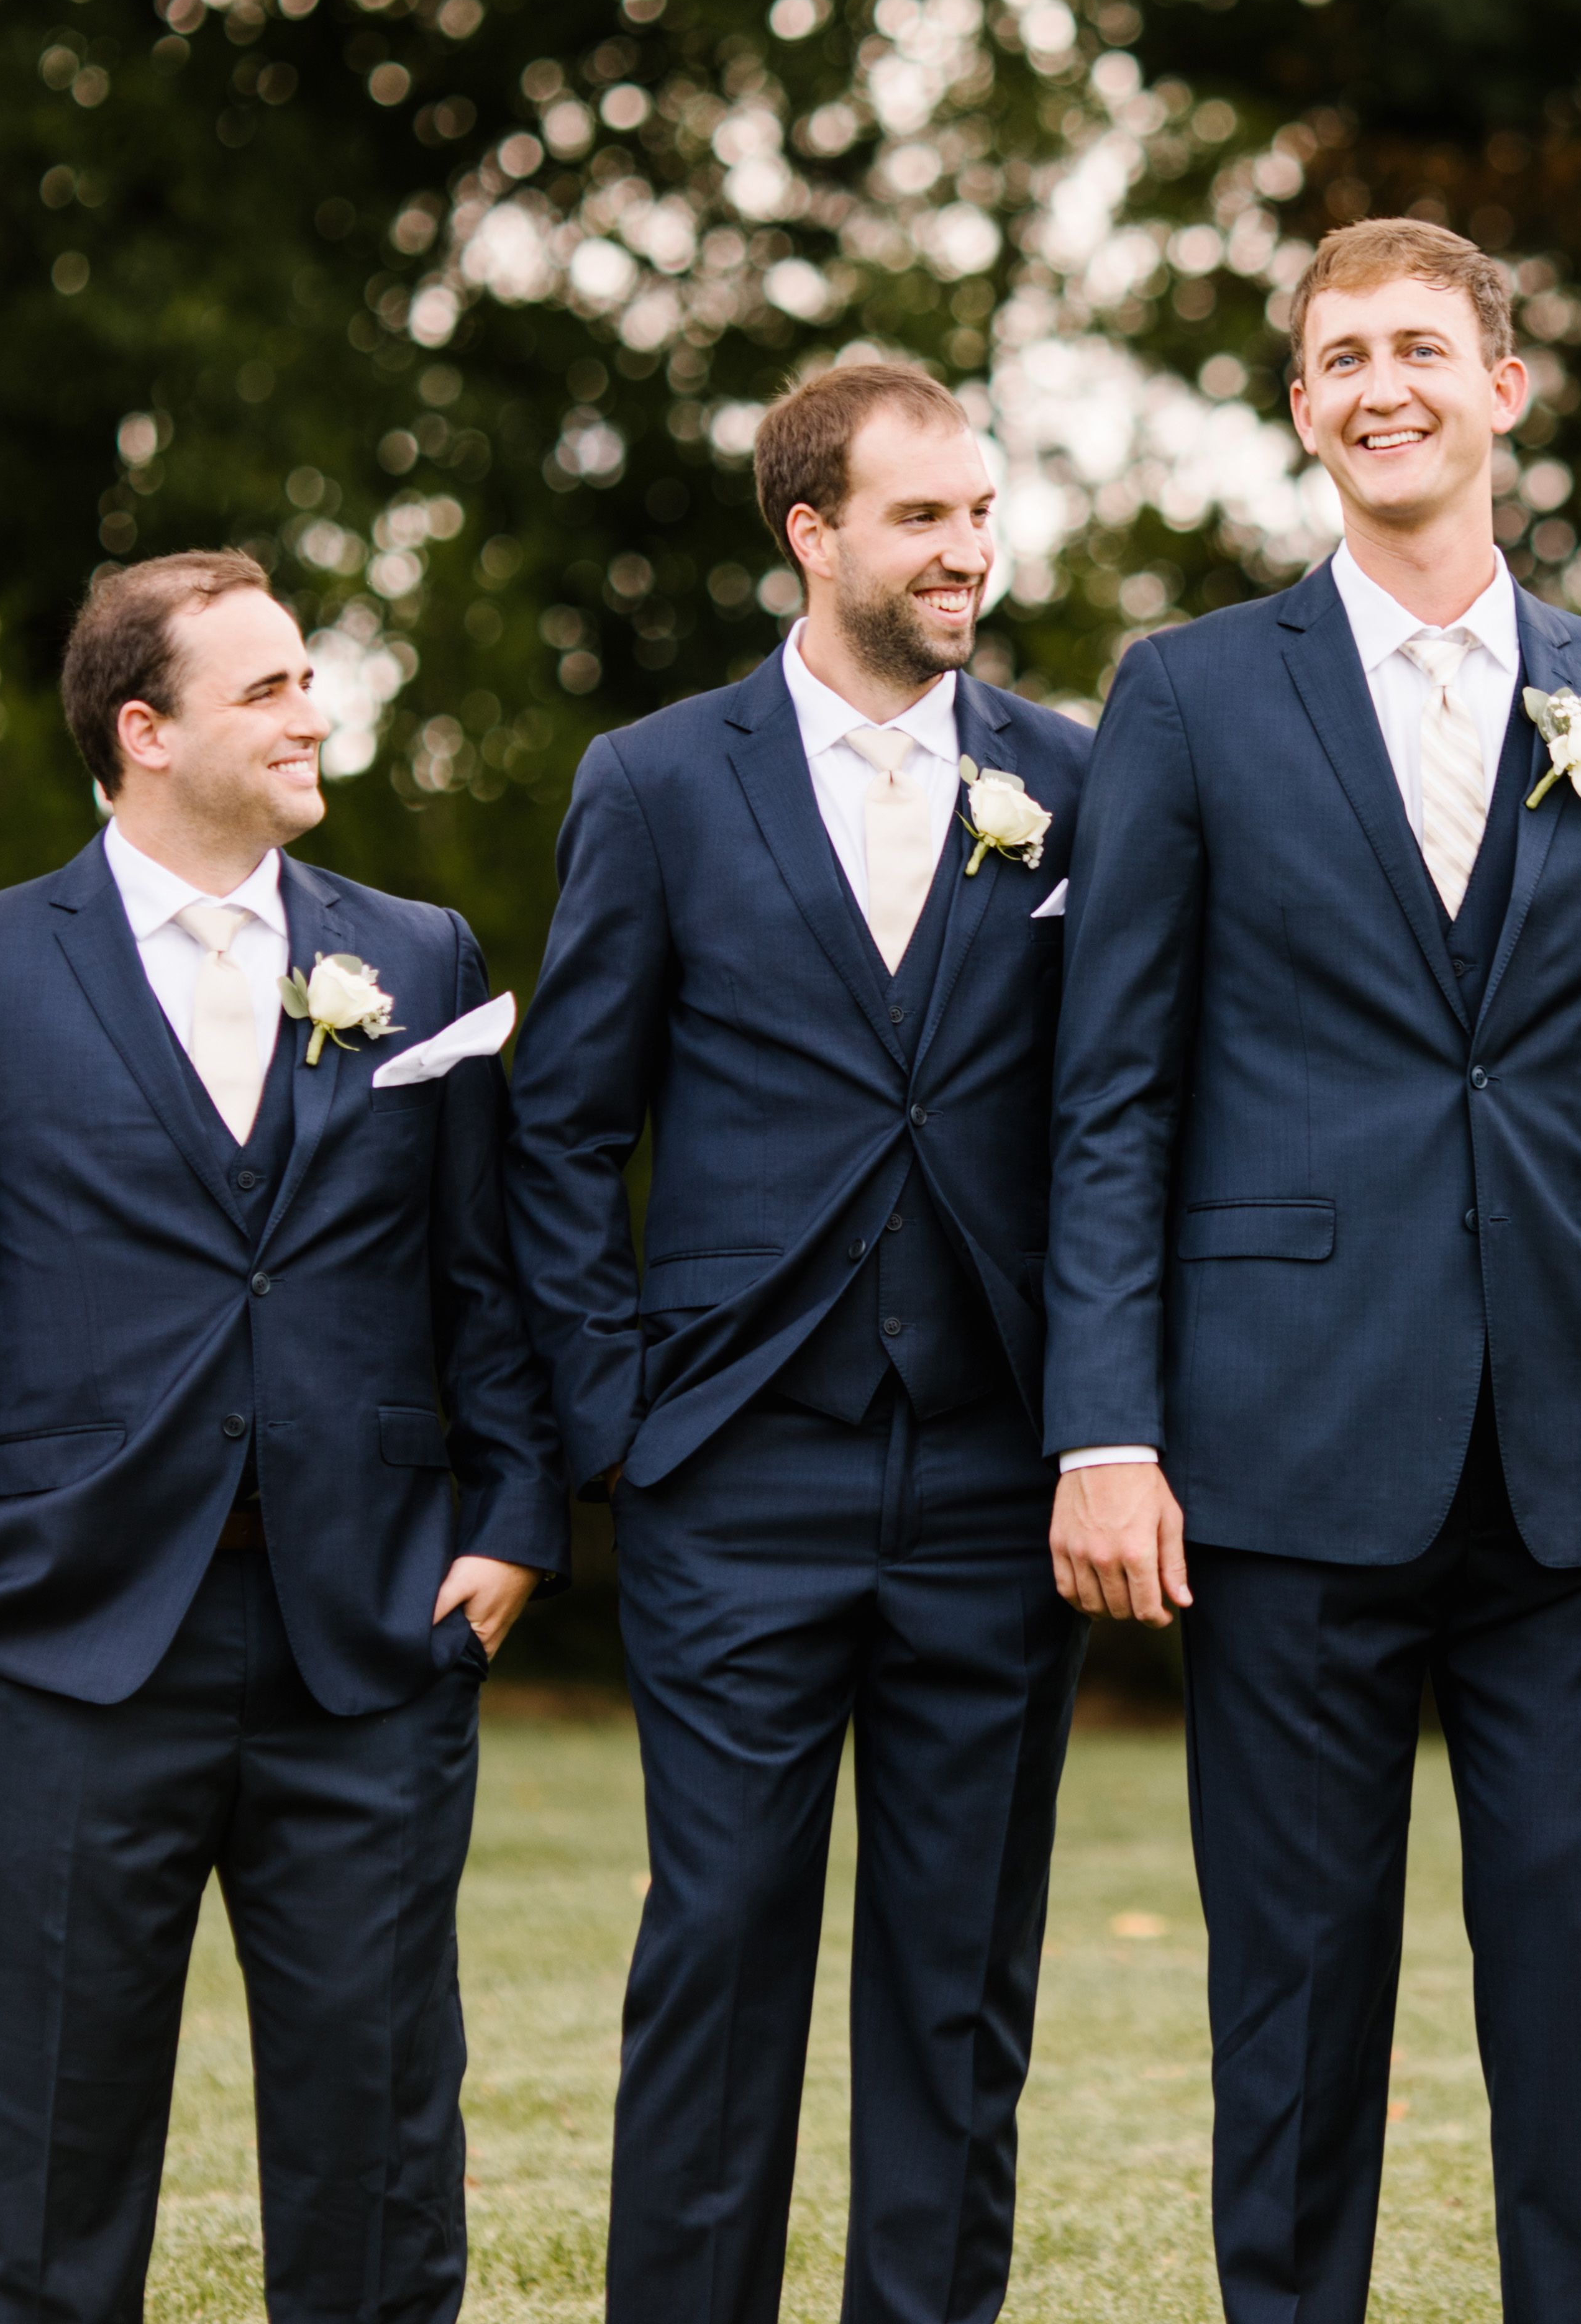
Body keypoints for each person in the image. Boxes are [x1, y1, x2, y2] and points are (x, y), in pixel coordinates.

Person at [1047, 217, 1581, 2323]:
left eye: (1423, 349)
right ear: (1301, 408)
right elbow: (1113, 1095)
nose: (1385, 386)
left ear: (1502, 387)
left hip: (1580, 1461)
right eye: (1342, 356)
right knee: (1290, 2002)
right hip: (1280, 1444)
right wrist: (1106, 1428)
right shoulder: (1188, 695)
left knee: (1569, 1984)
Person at [0, 550, 564, 2324]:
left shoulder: (418, 958)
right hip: (66, 1642)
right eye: (270, 688)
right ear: (145, 732)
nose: (313, 713)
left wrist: (515, 1521)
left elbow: (489, 1272)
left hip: (370, 1634)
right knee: (55, 2175)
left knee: (381, 2168)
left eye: (308, 677)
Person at [508, 361, 1091, 2324]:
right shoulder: (659, 781)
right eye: (922, 516)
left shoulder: (1073, 781)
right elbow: (562, 1128)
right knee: (719, 1956)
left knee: (959, 1987)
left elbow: (1117, 1112)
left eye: (978, 512)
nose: (965, 550)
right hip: (734, 1470)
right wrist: (619, 1421)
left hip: (997, 1471)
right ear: (810, 534)